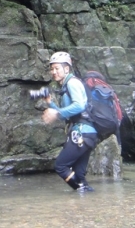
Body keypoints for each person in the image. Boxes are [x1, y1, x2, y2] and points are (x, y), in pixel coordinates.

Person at [41, 51, 97, 192]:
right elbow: (67, 115)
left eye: (57, 68)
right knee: (79, 175)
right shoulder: (66, 86)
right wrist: (51, 104)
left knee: (60, 166)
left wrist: (56, 112)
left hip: (82, 133)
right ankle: (88, 204)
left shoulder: (72, 83)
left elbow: (79, 106)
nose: (53, 72)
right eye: (51, 69)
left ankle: (80, 191)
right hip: (87, 134)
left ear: (66, 69)